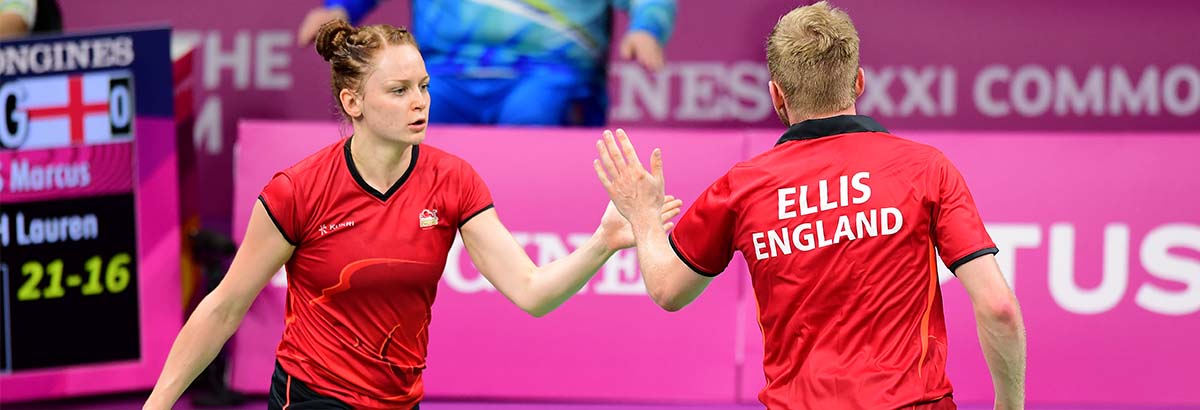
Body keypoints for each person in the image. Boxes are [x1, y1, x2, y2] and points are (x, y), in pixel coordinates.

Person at [143, 19, 681, 410]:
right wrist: (158, 404)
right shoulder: (298, 191)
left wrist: (604, 241)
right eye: (398, 91)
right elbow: (224, 307)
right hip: (311, 394)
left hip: (399, 401)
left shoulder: (453, 181)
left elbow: (532, 291)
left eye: (423, 87)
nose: (419, 102)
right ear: (353, 102)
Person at [592, 2, 1027, 409]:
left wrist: (644, 217)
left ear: (776, 95)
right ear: (858, 82)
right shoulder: (926, 168)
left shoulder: (741, 188)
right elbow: (999, 308)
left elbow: (668, 290)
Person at [296, 0, 676, 126]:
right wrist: (337, 7)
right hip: (443, 73)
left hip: (549, 73)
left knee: (531, 114)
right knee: (401, 117)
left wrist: (647, 28)